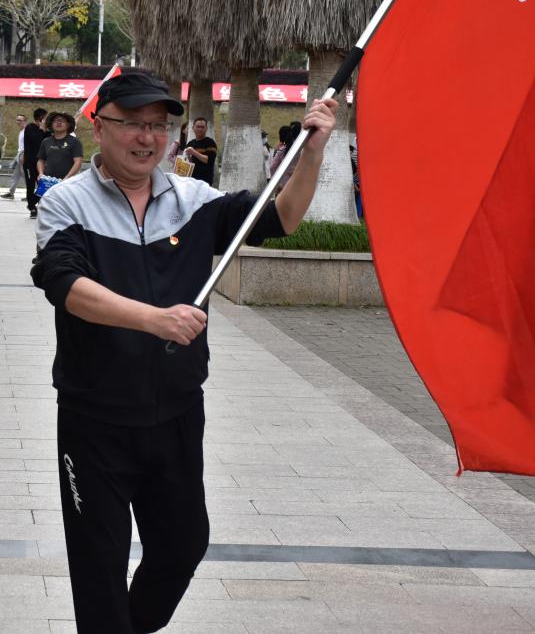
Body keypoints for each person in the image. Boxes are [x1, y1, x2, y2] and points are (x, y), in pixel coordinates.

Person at [31, 73, 337, 634]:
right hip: (94, 417)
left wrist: (311, 153)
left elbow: (284, 217)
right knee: (98, 561)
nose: (147, 138)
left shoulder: (196, 200)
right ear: (100, 127)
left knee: (184, 543)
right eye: (133, 124)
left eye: (158, 126)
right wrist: (155, 319)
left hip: (175, 412)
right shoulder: (66, 202)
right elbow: (66, 286)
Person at [36, 112, 84, 186]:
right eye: (56, 120)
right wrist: (41, 174)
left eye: (62, 121)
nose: (58, 122)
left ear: (68, 125)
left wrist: (67, 178)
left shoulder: (75, 142)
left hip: (67, 182)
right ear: (51, 124)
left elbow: (78, 162)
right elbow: (40, 161)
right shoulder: (46, 141)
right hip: (48, 182)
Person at [23, 108, 49, 218]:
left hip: (42, 164)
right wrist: (42, 130)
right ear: (40, 119)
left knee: (43, 186)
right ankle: (33, 208)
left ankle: (32, 203)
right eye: (45, 118)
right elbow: (35, 141)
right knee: (30, 185)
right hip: (30, 163)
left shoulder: (47, 131)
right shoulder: (30, 128)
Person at [1, 114, 27, 199]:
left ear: (25, 121)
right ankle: (11, 193)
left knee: (26, 176)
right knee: (15, 175)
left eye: (20, 120)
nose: (18, 122)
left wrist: (24, 155)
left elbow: (28, 145)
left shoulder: (26, 131)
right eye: (17, 120)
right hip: (19, 155)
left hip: (23, 155)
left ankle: (29, 194)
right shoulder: (21, 131)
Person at [183, 117, 217, 184]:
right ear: (193, 128)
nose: (200, 129)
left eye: (202, 127)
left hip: (205, 181)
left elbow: (209, 160)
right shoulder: (190, 143)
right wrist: (188, 158)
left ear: (206, 128)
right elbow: (187, 160)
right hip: (190, 180)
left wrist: (193, 152)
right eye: (198, 127)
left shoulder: (210, 142)